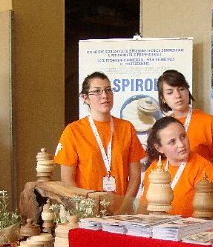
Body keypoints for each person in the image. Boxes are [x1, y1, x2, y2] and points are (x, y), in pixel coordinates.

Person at [54, 72, 145, 213]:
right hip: (86, 212)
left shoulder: (126, 128)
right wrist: (86, 209)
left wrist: (123, 209)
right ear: (85, 98)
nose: (104, 96)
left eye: (108, 90)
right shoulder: (73, 131)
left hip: (121, 212)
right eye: (97, 91)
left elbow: (135, 177)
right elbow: (67, 179)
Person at [140, 116, 213, 218]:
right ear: (159, 148)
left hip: (194, 227)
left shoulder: (205, 169)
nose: (181, 144)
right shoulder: (155, 168)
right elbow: (144, 207)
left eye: (183, 136)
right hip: (158, 226)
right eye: (172, 142)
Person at [157, 70, 213, 163]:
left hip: (204, 172)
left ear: (188, 91)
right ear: (163, 98)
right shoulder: (162, 127)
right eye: (170, 92)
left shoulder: (209, 122)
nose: (178, 95)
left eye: (181, 89)